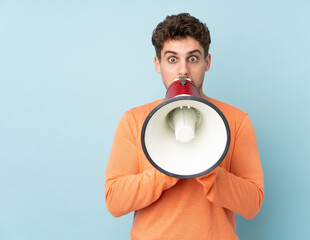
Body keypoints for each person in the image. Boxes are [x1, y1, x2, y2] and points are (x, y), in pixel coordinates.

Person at [105, 13, 264, 240]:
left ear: (206, 62)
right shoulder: (134, 120)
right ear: (157, 64)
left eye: (192, 59)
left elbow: (252, 205)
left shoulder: (236, 120)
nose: (183, 71)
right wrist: (166, 168)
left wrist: (209, 171)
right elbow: (115, 201)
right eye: (172, 59)